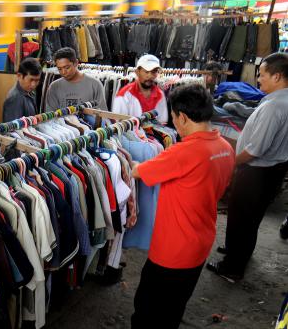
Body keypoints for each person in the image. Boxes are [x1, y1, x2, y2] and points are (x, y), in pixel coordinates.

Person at [130, 84, 235, 329]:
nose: (173, 123)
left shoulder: (183, 152)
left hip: (172, 250)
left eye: (174, 117)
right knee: (174, 308)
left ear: (183, 117)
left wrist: (127, 157)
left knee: (147, 311)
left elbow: (138, 171)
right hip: (201, 242)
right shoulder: (226, 148)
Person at [207, 53, 288, 281]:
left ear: (278, 76)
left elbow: (255, 150)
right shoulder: (279, 100)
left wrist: (230, 163)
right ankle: (237, 252)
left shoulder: (274, 106)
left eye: (262, 74)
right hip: (272, 171)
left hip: (257, 172)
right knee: (250, 218)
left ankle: (232, 268)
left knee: (243, 218)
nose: (258, 79)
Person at [45, 47, 107, 111]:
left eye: (67, 67)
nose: (63, 72)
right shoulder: (54, 87)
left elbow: (102, 114)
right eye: (59, 69)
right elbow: (51, 116)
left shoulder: (94, 84)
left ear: (76, 63)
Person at [112, 54, 168, 123]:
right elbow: (118, 124)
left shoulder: (160, 95)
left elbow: (162, 122)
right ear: (137, 72)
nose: (150, 76)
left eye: (154, 71)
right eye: (146, 72)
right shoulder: (124, 95)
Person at [2, 57, 42, 122]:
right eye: (31, 80)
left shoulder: (30, 92)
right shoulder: (15, 98)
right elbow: (14, 129)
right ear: (19, 76)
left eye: (37, 80)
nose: (33, 84)